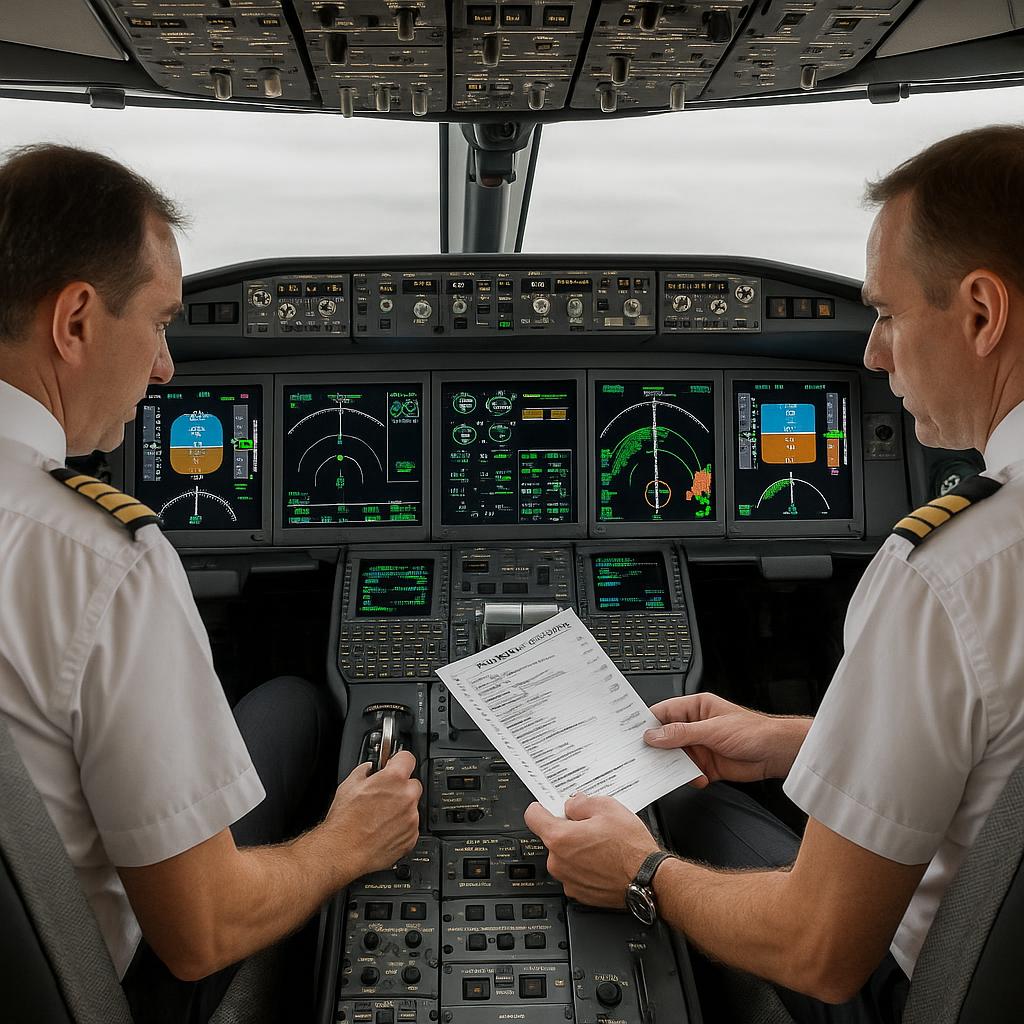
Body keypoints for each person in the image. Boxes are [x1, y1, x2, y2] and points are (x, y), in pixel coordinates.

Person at [526, 123, 1024, 1024]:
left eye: (890, 313)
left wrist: (638, 870)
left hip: (940, 987)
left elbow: (821, 950)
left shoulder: (951, 573)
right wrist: (804, 737)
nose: (873, 355)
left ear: (983, 313)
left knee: (683, 815)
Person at [0, 145, 422, 1023]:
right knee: (302, 706)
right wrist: (347, 843)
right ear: (75, 321)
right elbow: (199, 931)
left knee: (294, 707)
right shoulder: (100, 557)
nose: (166, 369)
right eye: (159, 323)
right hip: (82, 988)